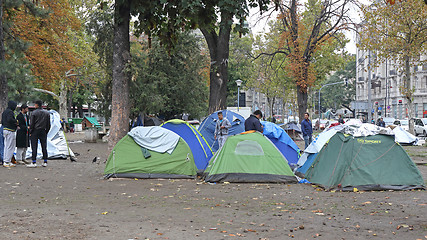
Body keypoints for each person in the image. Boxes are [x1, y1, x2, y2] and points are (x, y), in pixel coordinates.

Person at [28, 100, 50, 168]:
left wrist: (30, 131)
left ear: (36, 105)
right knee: (44, 146)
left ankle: (34, 162)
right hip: (43, 131)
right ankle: (45, 161)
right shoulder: (46, 113)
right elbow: (48, 124)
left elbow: (32, 124)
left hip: (35, 130)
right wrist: (46, 131)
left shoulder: (34, 113)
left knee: (34, 146)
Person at [1, 101, 18, 168]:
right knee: (10, 146)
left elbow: (2, 121)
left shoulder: (4, 112)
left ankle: (6, 160)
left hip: (5, 129)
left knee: (6, 146)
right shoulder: (10, 112)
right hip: (10, 130)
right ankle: (7, 161)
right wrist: (16, 122)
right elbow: (10, 119)